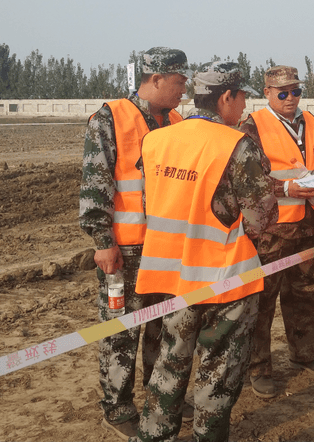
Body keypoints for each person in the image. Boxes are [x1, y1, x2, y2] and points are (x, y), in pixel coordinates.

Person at [130, 62, 278, 442]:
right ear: (226, 97)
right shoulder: (235, 144)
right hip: (224, 281)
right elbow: (262, 216)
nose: (245, 103)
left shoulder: (157, 140)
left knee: (169, 363)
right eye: (242, 95)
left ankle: (154, 434)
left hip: (170, 277)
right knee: (218, 372)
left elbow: (151, 203)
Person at [79, 47, 192, 440]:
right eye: (179, 82)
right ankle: (117, 405)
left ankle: (158, 394)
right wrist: (102, 240)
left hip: (165, 249)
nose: (184, 90)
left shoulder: (177, 120)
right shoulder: (110, 118)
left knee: (163, 327)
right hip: (123, 250)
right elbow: (96, 186)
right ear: (156, 79)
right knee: (120, 330)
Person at [239, 65, 314, 399]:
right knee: (263, 300)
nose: (291, 98)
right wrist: (288, 188)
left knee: (305, 292)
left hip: (308, 225)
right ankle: (259, 368)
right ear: (266, 93)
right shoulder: (252, 126)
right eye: (283, 93)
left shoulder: (309, 122)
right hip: (272, 228)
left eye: (296, 91)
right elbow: (247, 180)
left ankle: (304, 352)